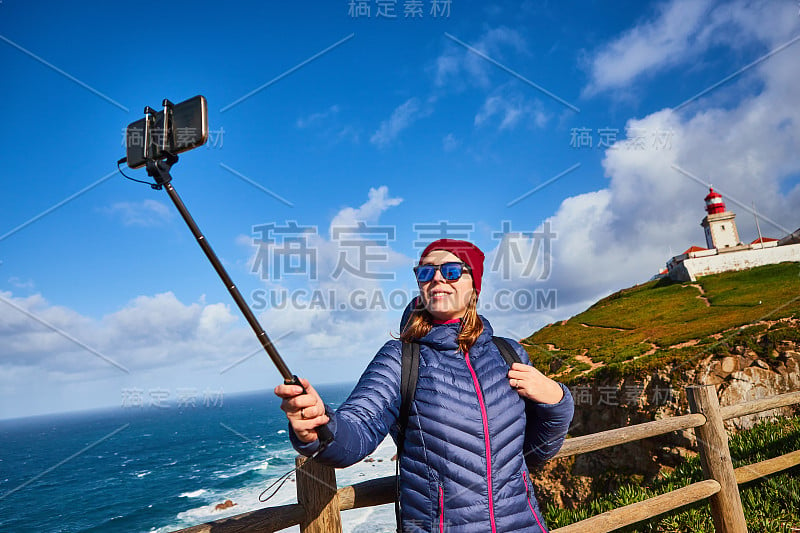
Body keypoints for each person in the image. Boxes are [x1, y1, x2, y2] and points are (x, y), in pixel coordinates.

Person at [275, 239, 574, 532]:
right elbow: (356, 432)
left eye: (452, 271)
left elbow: (535, 454)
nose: (438, 278)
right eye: (426, 272)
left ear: (475, 286)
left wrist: (557, 402)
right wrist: (319, 426)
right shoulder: (401, 358)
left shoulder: (509, 354)